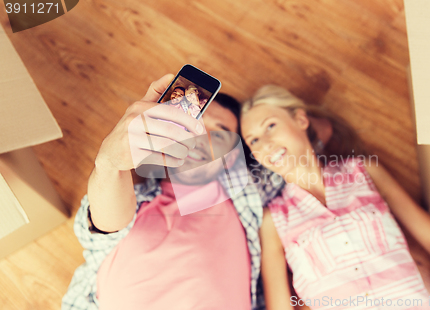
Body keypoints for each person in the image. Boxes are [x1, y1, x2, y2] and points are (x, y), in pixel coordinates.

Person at [61, 74, 285, 310]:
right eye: (195, 122)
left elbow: (313, 136)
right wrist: (109, 165)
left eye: (220, 133)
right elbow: (105, 225)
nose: (202, 137)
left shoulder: (250, 194)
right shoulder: (135, 201)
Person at [240, 85, 430, 310]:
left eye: (270, 126)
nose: (266, 145)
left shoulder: (364, 172)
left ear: (301, 120)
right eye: (254, 141)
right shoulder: (274, 220)